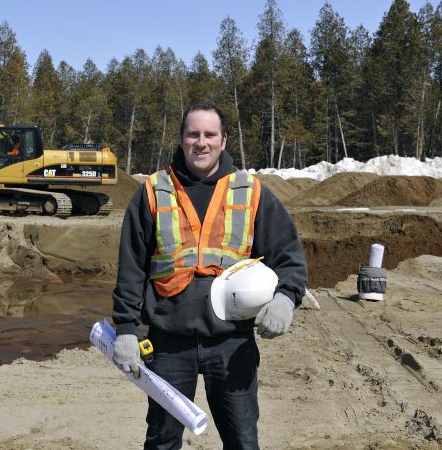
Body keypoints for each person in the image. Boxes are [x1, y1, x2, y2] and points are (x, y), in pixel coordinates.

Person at [112, 104, 307, 450]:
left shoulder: (251, 191)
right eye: (193, 134)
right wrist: (126, 329)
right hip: (168, 343)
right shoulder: (153, 191)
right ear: (182, 139)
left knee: (243, 441)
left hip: (232, 343)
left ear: (223, 140)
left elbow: (288, 255)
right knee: (162, 441)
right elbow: (131, 266)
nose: (201, 143)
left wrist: (286, 298)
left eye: (209, 135)